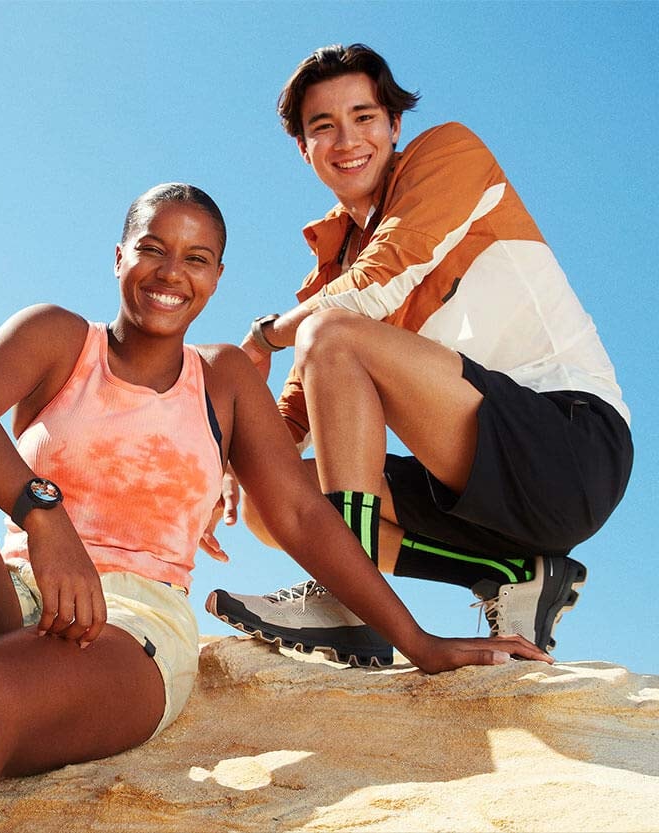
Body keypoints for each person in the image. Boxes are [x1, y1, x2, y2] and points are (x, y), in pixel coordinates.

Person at [0, 183, 554, 833]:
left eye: (196, 258)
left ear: (217, 277)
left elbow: (301, 517)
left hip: (127, 633)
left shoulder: (222, 378)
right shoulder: (57, 338)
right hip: (7, 596)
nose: (170, 273)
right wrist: (44, 517)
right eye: (154, 248)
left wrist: (423, 643)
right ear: (119, 256)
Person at [206, 44, 633, 665]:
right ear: (304, 147)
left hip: (569, 448)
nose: (347, 139)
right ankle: (512, 571)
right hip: (476, 484)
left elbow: (380, 281)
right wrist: (216, 465)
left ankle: (347, 599)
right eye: (323, 126)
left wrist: (265, 335)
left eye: (364, 117)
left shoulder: (449, 155)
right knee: (275, 502)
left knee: (328, 332)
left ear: (394, 124)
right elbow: (288, 426)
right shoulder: (335, 271)